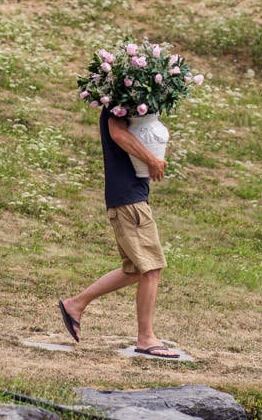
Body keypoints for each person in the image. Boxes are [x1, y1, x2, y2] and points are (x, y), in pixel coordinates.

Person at [57, 107, 180, 359]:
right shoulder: (118, 99)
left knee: (135, 270)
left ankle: (75, 304)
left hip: (130, 196)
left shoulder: (130, 97)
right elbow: (117, 132)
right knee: (151, 267)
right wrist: (151, 160)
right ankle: (146, 338)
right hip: (128, 199)